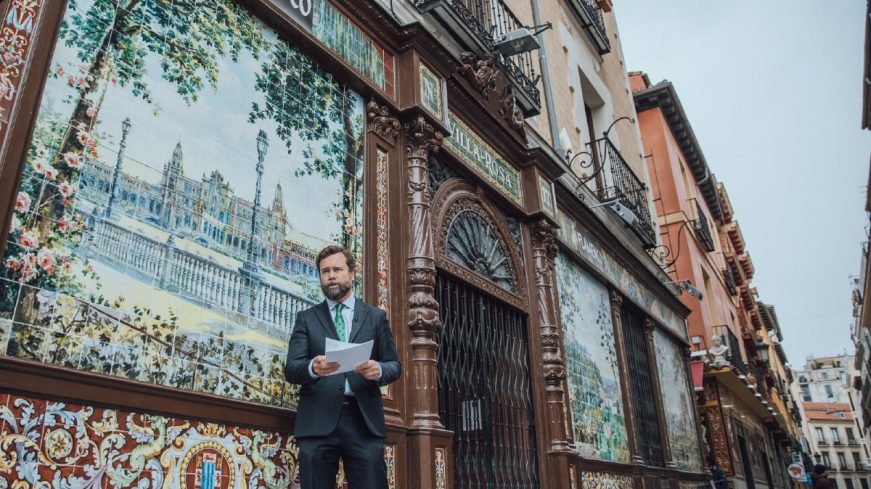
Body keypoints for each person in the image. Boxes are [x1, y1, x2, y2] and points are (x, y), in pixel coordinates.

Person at [285, 245, 401, 489]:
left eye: (337, 269)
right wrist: (312, 368)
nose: (331, 276)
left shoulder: (375, 317)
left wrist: (377, 370)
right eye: (325, 271)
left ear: (353, 272)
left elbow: (394, 366)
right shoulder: (306, 318)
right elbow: (292, 369)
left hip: (363, 421)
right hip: (317, 421)